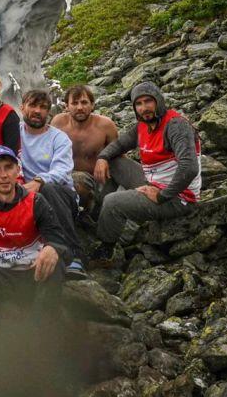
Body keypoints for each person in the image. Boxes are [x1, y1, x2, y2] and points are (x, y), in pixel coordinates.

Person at [91, 82, 202, 262]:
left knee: (112, 202)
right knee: (113, 163)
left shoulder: (175, 126)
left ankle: (106, 249)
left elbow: (189, 167)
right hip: (153, 183)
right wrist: (103, 157)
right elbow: (120, 144)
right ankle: (98, 216)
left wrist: (162, 196)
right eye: (139, 104)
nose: (144, 108)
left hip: (178, 197)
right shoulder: (143, 125)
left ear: (158, 101)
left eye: (148, 101)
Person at [0, 146, 70, 300]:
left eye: (9, 167)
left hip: (32, 269)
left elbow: (57, 237)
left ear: (18, 171)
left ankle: (44, 322)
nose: (3, 175)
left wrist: (52, 247)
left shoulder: (35, 201)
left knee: (55, 262)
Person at [17, 89, 87, 279]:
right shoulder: (14, 131)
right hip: (24, 192)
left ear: (49, 112)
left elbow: (62, 170)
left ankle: (74, 255)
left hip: (60, 195)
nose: (37, 111)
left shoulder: (59, 138)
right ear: (22, 107)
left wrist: (39, 181)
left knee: (48, 189)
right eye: (32, 105)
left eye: (43, 107)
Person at [50, 85, 118, 214]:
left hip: (96, 180)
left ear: (92, 105)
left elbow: (119, 155)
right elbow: (47, 151)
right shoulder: (58, 122)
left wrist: (105, 159)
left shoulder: (105, 125)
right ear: (66, 106)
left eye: (84, 102)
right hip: (64, 175)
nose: (80, 107)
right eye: (74, 103)